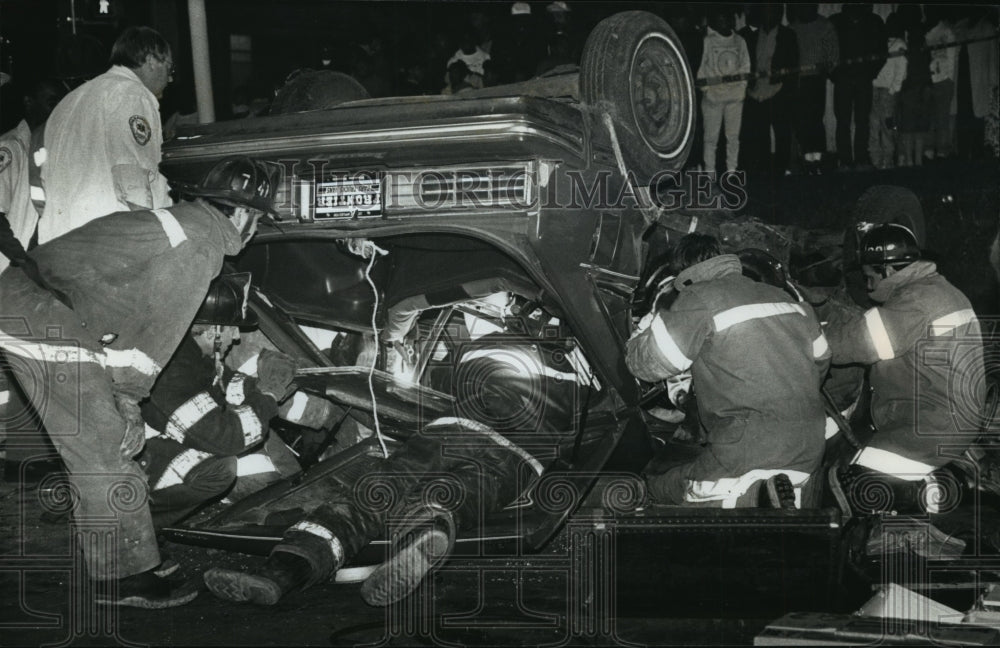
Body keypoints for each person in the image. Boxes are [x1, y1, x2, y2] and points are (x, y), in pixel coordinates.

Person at [0, 156, 279, 608]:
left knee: (103, 443)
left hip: (43, 307)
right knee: (104, 448)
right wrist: (128, 398)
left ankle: (132, 554)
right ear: (244, 213)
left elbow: (124, 312)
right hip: (39, 314)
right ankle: (123, 577)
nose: (256, 230)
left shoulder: (183, 222)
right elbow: (158, 329)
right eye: (259, 219)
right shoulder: (200, 244)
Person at [202, 292, 596, 607]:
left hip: (461, 425)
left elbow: (408, 305)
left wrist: (393, 340)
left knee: (376, 490)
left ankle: (283, 573)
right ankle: (426, 533)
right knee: (454, 496)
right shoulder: (585, 347)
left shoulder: (491, 305)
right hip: (524, 454)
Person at [626, 234, 830, 508]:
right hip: (811, 445)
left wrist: (644, 328)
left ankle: (754, 497)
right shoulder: (785, 298)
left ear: (683, 273)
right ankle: (769, 495)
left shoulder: (698, 297)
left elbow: (648, 365)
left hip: (747, 448)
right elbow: (822, 361)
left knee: (668, 487)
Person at [826, 224, 985, 514]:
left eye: (869, 274)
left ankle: (927, 493)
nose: (867, 282)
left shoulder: (915, 302)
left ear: (886, 270)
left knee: (857, 490)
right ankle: (938, 484)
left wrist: (806, 338)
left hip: (930, 422)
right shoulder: (939, 289)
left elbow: (853, 344)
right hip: (948, 416)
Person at [138, 273, 302, 529]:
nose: (236, 337)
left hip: (173, 437)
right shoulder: (173, 370)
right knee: (221, 471)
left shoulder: (194, 353)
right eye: (231, 328)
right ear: (211, 330)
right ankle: (138, 525)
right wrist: (268, 395)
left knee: (276, 478)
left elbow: (227, 384)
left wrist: (258, 384)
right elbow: (227, 439)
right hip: (138, 455)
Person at [38, 26, 174, 244]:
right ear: (151, 60)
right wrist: (149, 242)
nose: (169, 79)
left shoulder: (69, 101)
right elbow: (131, 175)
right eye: (169, 69)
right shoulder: (133, 94)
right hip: (109, 243)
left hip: (60, 241)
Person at [740, 4, 799, 176]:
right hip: (755, 91)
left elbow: (793, 65)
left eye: (773, 11)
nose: (769, 15)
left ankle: (781, 169)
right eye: (765, 11)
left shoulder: (788, 35)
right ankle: (763, 169)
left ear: (779, 14)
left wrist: (788, 90)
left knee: (782, 132)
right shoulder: (751, 35)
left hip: (778, 89)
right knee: (759, 133)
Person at [830, 5, 887, 168]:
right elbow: (825, 48)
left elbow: (882, 50)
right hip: (842, 80)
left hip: (864, 79)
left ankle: (861, 157)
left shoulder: (874, 21)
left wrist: (871, 72)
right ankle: (845, 159)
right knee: (843, 121)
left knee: (863, 120)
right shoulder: (835, 21)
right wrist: (834, 75)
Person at [697, 6, 750, 175]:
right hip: (713, 98)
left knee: (733, 137)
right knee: (711, 138)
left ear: (733, 21)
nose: (724, 23)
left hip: (734, 98)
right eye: (720, 20)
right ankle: (710, 172)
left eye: (727, 19)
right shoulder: (709, 41)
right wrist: (707, 90)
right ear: (715, 22)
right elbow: (702, 69)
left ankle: (732, 170)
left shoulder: (740, 41)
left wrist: (741, 90)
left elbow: (746, 67)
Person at [788, 4, 839, 173]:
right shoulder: (792, 27)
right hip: (797, 81)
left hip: (816, 80)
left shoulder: (825, 26)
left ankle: (818, 160)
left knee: (815, 118)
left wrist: (827, 69)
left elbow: (833, 53)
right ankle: (806, 159)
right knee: (801, 120)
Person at [869, 20, 908, 169]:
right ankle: (875, 159)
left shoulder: (900, 45)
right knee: (873, 125)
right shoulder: (880, 41)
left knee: (888, 126)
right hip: (875, 88)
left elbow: (901, 69)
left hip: (887, 91)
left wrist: (893, 90)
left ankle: (888, 159)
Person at [924, 7, 959, 160]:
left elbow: (952, 56)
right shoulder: (926, 32)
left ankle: (942, 152)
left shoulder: (947, 32)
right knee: (930, 117)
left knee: (942, 118)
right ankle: (929, 150)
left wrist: (949, 79)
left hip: (943, 80)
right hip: (929, 81)